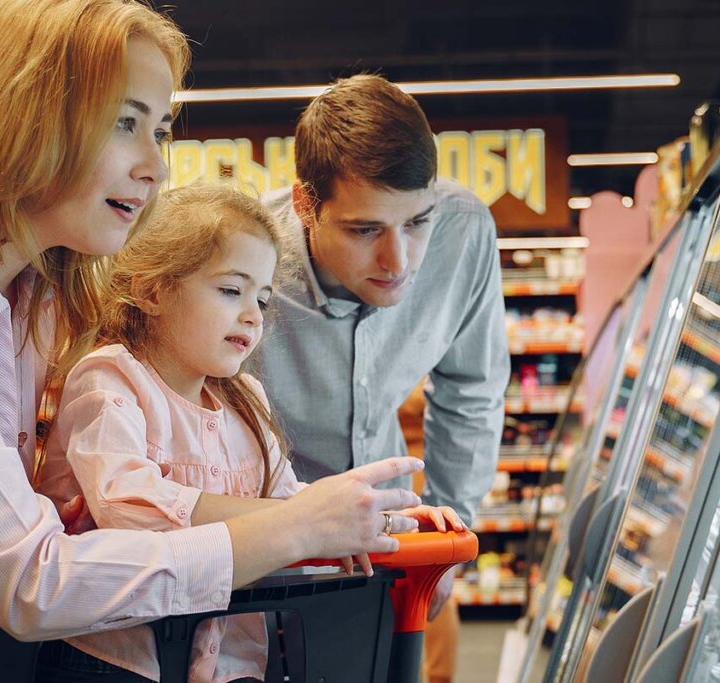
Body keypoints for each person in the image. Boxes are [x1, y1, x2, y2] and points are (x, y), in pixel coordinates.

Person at [0, 0, 422, 651]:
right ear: (26, 115)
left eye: (161, 131)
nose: (157, 167)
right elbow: (31, 581)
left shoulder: (31, 290)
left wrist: (367, 517)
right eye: (126, 122)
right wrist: (296, 529)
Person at [34, 184, 465, 682]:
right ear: (152, 290)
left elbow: (288, 502)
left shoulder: (247, 399)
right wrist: (303, 519)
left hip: (234, 663)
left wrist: (390, 518)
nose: (252, 316)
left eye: (261, 298)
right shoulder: (110, 378)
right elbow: (129, 507)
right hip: (113, 659)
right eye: (230, 290)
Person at [256, 74, 510, 678]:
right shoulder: (248, 259)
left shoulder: (464, 230)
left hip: (397, 542)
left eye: (417, 222)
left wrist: (448, 535)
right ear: (305, 205)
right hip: (272, 558)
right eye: (365, 230)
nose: (400, 261)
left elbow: (471, 391)